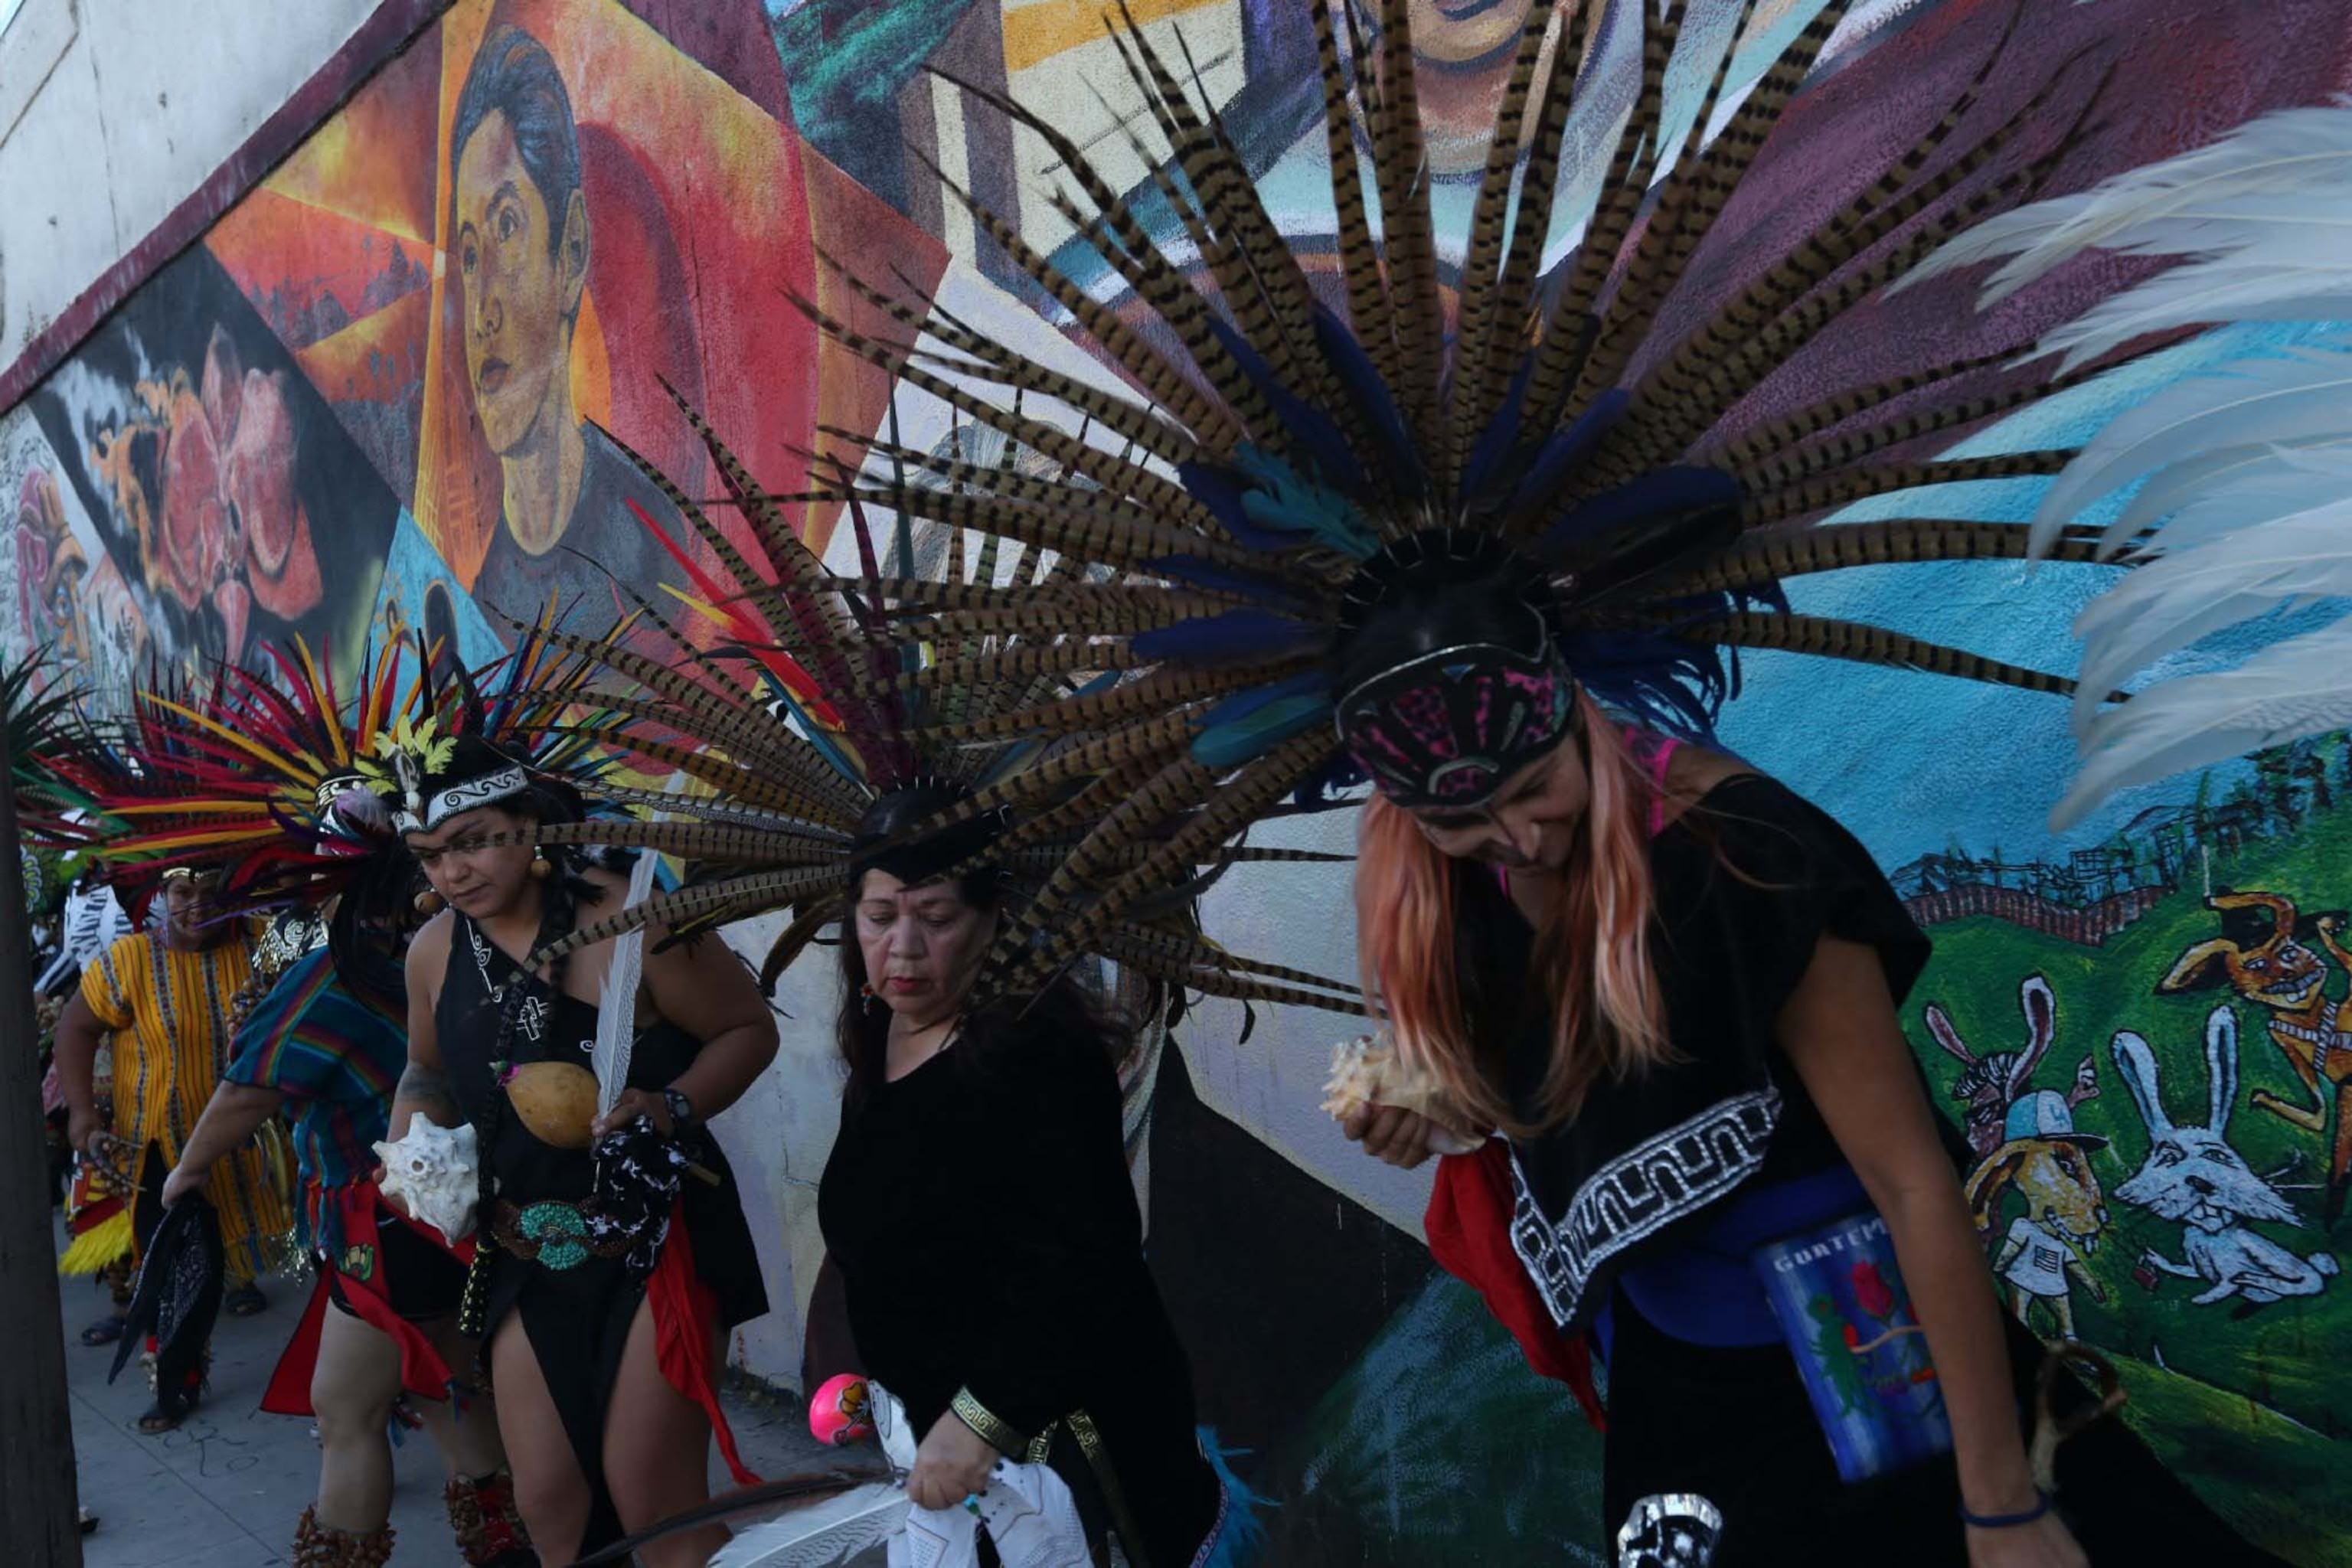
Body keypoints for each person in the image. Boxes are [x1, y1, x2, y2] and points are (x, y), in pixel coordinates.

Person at [817, 786, 1263, 1567]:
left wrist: (981, 1417)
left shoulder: (1037, 1052)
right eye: (880, 916)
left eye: (938, 914)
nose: (905, 946)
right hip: (945, 1452)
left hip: (1064, 1452)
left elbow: (1087, 1264)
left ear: (993, 919)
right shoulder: (879, 1036)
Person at [384, 731, 775, 1566]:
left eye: (472, 841)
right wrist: (409, 1146)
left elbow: (748, 1030)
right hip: (530, 1246)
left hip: (657, 1237)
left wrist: (669, 1105)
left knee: (655, 1500)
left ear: (532, 824)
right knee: (552, 1503)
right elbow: (424, 1065)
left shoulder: (634, 919)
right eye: (428, 857)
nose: (451, 873)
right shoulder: (433, 952)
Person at [445, 24, 690, 633]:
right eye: (471, 256)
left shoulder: (651, 539)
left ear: (572, 247)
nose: (483, 313)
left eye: (506, 227)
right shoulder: (486, 611)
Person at [53, 866, 296, 1429]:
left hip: (253, 1145)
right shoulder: (129, 960)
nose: (197, 907)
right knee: (176, 1268)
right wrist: (84, 1111)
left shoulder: (265, 946)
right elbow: (76, 1028)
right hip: (159, 1147)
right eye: (184, 893)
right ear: (163, 896)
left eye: (213, 893)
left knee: (228, 1261)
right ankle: (177, 1381)